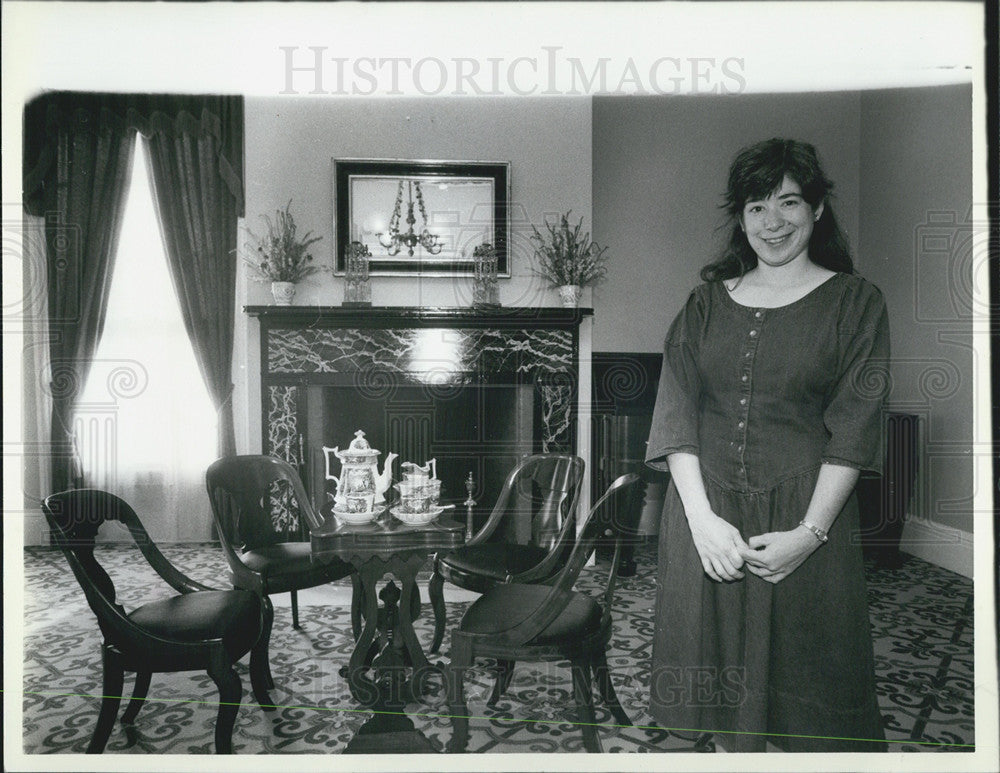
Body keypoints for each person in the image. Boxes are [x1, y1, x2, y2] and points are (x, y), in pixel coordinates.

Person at [645, 138, 889, 753]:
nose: (771, 221)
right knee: (722, 714)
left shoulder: (857, 304)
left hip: (807, 523)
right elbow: (675, 415)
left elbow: (855, 430)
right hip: (708, 523)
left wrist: (809, 535)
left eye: (787, 202)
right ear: (741, 216)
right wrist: (700, 522)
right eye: (756, 207)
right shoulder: (703, 304)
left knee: (809, 714)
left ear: (817, 209)